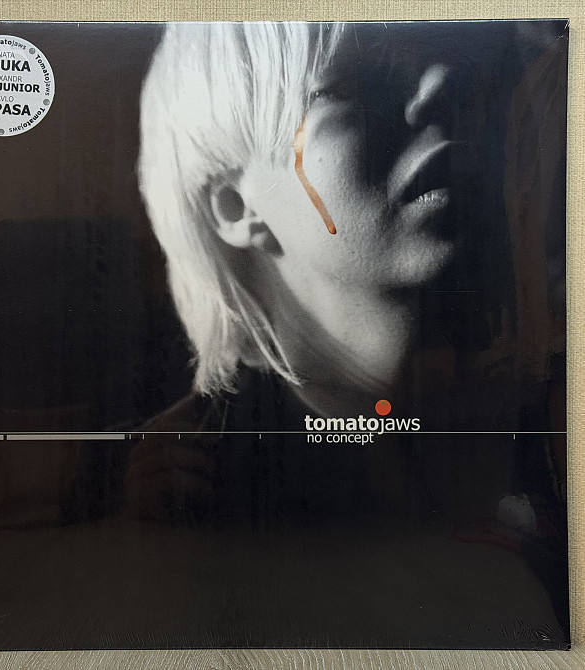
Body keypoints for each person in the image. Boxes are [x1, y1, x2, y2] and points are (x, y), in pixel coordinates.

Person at [125, 22, 568, 647]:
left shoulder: (525, 412)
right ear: (236, 209)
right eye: (351, 87)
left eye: (429, 70)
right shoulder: (205, 471)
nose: (436, 87)